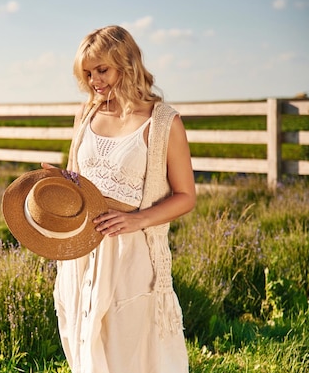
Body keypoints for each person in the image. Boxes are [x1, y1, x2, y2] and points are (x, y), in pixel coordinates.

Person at [42, 25, 196, 373]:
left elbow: (186, 196)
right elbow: (78, 178)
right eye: (88, 73)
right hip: (81, 250)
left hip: (131, 252)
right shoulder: (86, 114)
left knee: (131, 351)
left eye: (102, 70)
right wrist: (60, 183)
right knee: (85, 346)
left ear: (126, 63)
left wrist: (137, 220)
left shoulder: (163, 123)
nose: (94, 81)